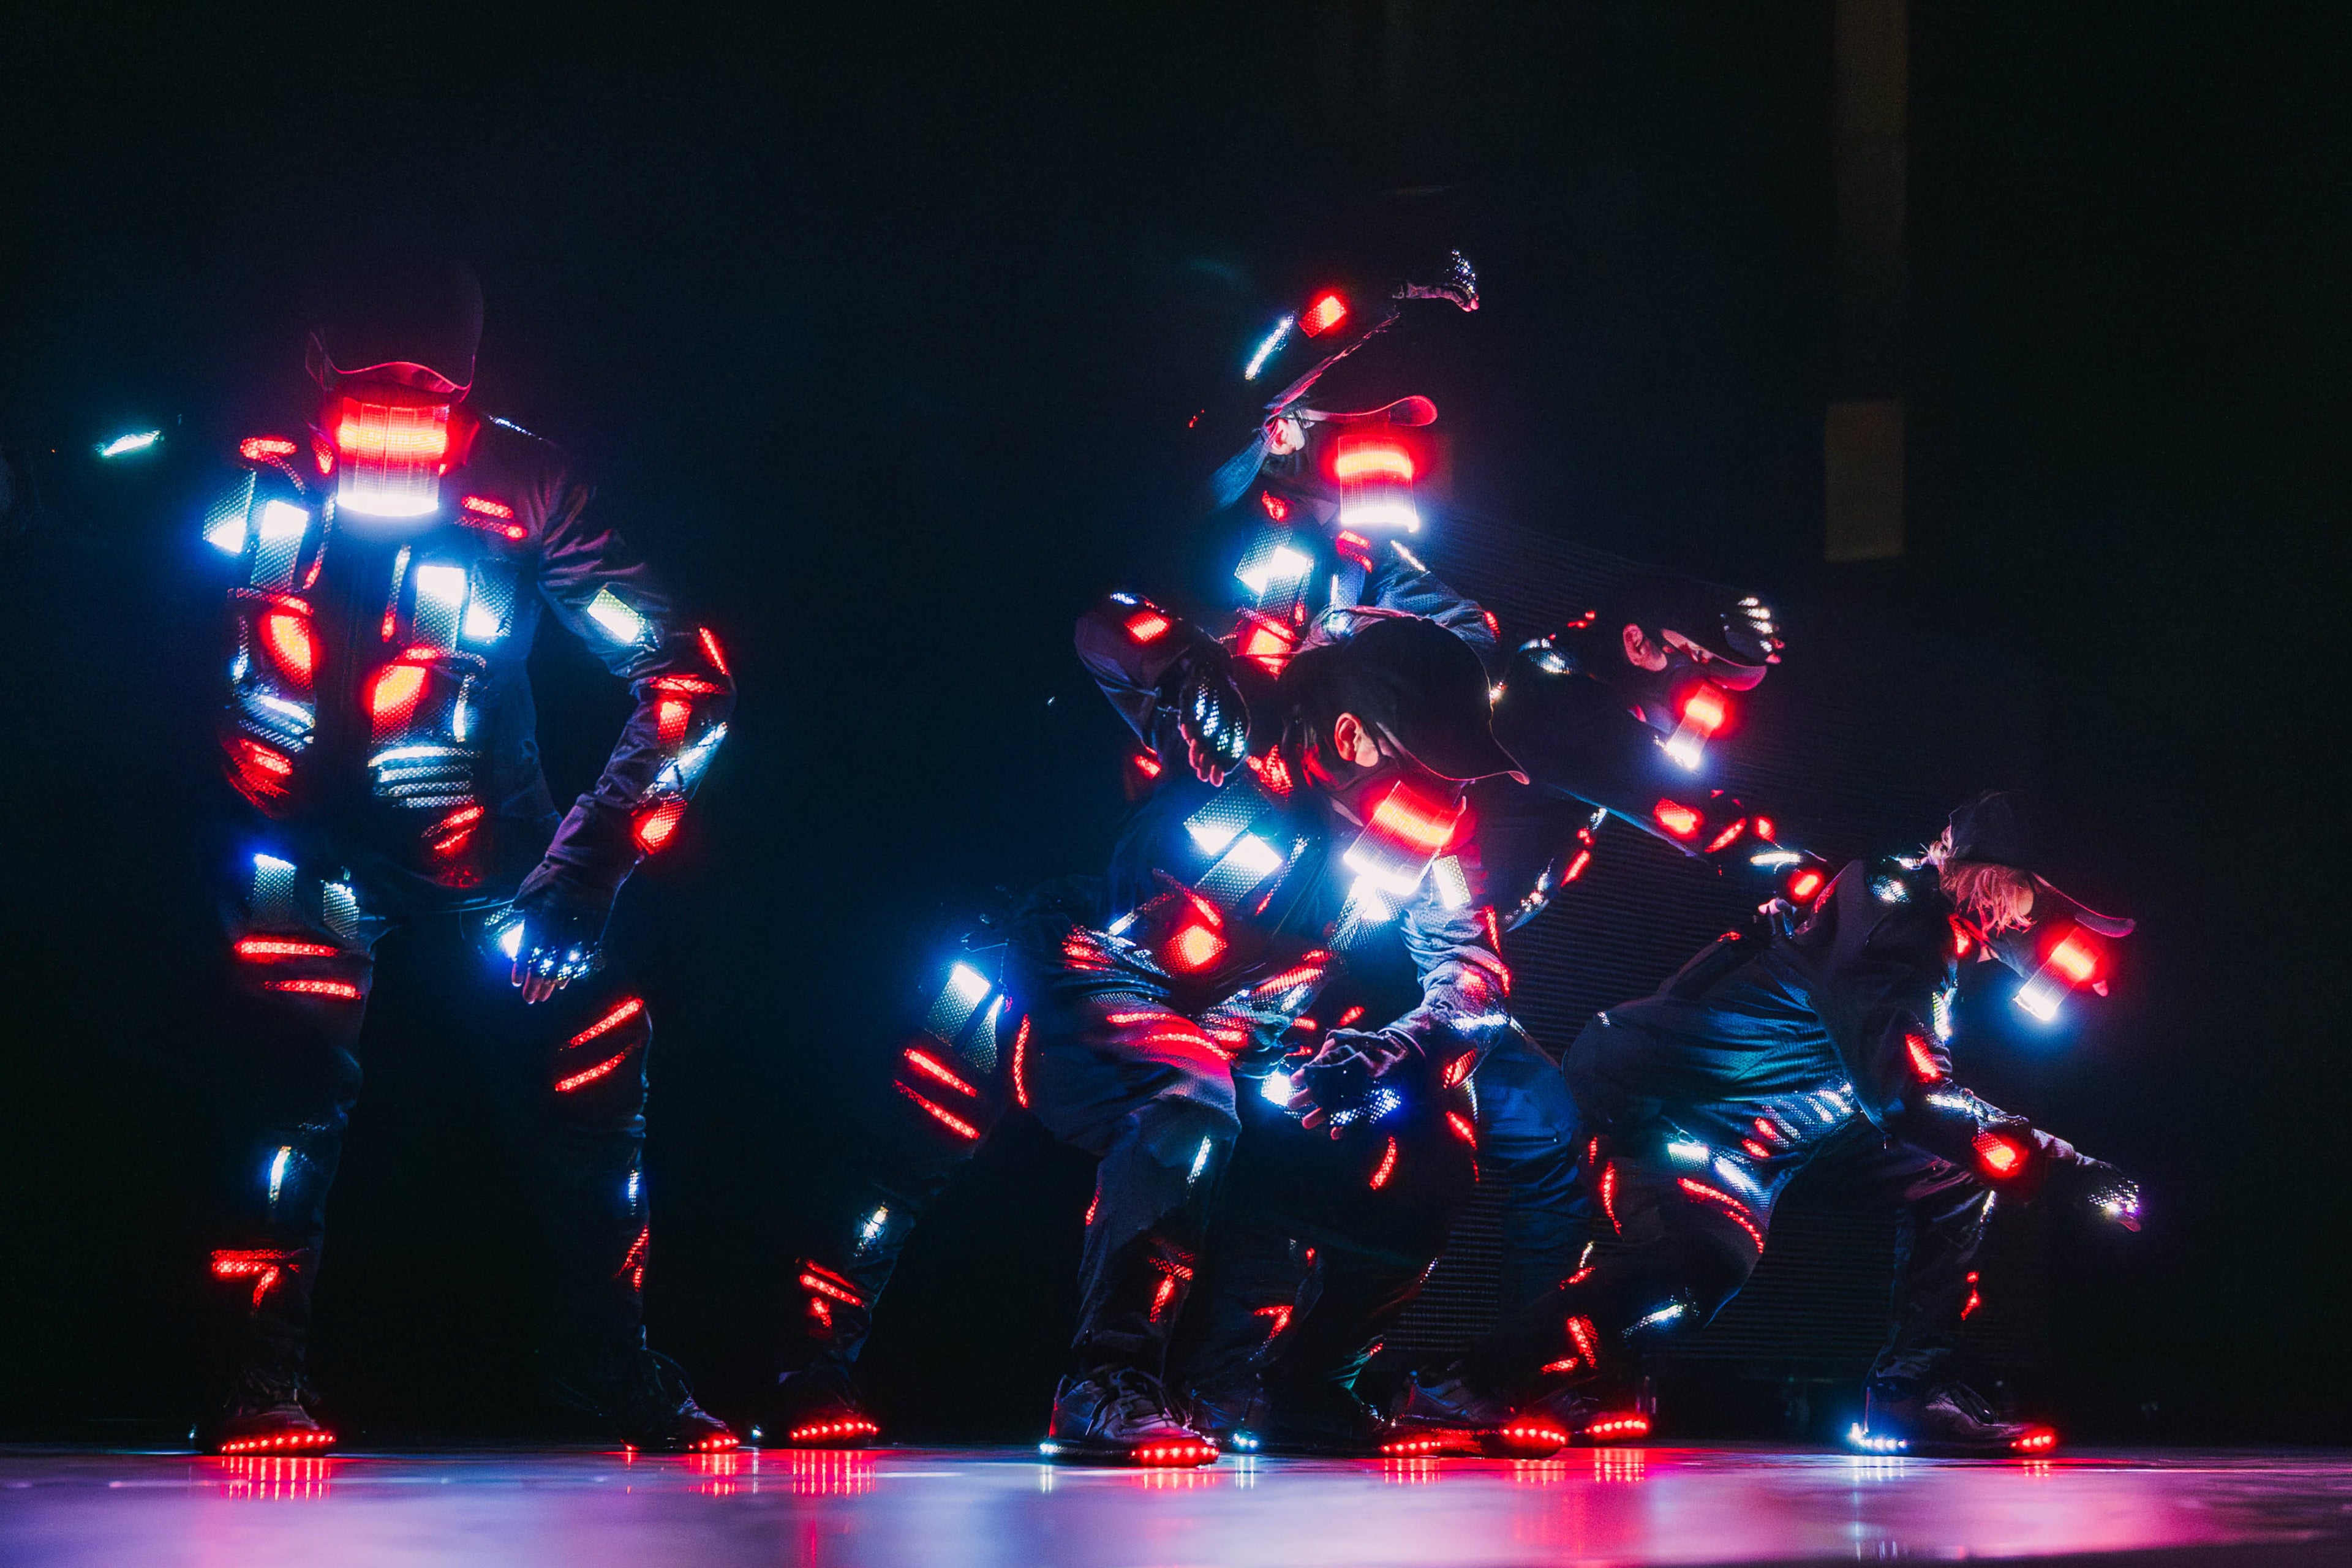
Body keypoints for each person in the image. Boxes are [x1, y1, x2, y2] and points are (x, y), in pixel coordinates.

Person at [196, 257, 737, 1454]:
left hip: (495, 864)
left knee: (596, 1078)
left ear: (469, 384)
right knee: (280, 1096)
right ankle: (248, 1377)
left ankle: (609, 1371)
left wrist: (583, 871)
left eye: (426, 393)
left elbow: (687, 681)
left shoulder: (528, 484)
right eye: (371, 388)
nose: (397, 422)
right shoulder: (239, 463)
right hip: (294, 854)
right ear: (315, 365)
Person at [1389, 791, 2143, 1455]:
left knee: (1953, 1174)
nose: (2043, 923)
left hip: (1787, 1112)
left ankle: (1910, 1394)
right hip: (1680, 1106)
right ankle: (1469, 1384)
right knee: (1704, 1262)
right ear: (1992, 875)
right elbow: (1908, 1098)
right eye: (2039, 900)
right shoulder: (1898, 925)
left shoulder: (1920, 920)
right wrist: (2066, 1167)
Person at [1024, 609, 1527, 1463]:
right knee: (1185, 1097)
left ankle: (1302, 1389)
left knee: (1429, 1149)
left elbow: (1473, 971)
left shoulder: (1438, 828)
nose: (1448, 798)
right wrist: (1186, 668)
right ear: (1352, 736)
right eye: (1429, 766)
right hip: (1103, 973)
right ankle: (1105, 1382)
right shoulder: (1241, 722)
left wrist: (1399, 1049)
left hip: (1253, 1023)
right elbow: (1102, 629)